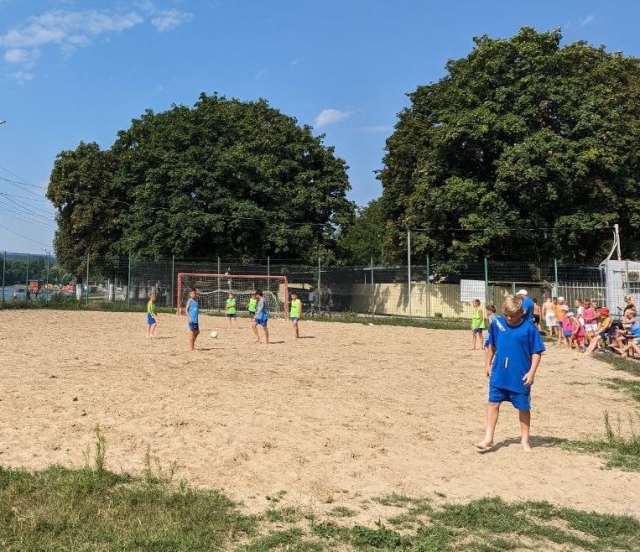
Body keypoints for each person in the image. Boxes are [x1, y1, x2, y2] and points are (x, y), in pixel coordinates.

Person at [475, 294, 545, 453]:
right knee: (492, 403)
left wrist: (532, 372)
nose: (509, 318)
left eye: (513, 315)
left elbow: (536, 352)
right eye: (506, 314)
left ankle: (525, 441)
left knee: (523, 408)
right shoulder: (497, 324)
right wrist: (487, 364)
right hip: (499, 373)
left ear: (521, 312)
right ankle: (488, 437)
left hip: (520, 376)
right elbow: (491, 345)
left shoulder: (529, 328)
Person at [185, 287, 200, 352]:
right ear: (190, 294)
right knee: (192, 333)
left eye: (194, 293)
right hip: (191, 320)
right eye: (191, 293)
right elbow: (186, 310)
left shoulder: (196, 302)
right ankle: (191, 348)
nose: (192, 294)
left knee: (197, 332)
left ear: (195, 294)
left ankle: (192, 345)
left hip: (196, 320)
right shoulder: (190, 301)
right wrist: (189, 317)